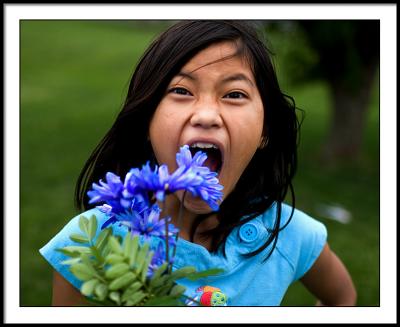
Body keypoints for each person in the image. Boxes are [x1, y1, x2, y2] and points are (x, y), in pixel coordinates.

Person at [40, 20, 356, 306]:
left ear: (266, 131)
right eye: (180, 90)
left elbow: (342, 298)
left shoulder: (289, 235)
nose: (206, 115)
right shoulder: (91, 241)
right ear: (147, 122)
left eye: (234, 94)